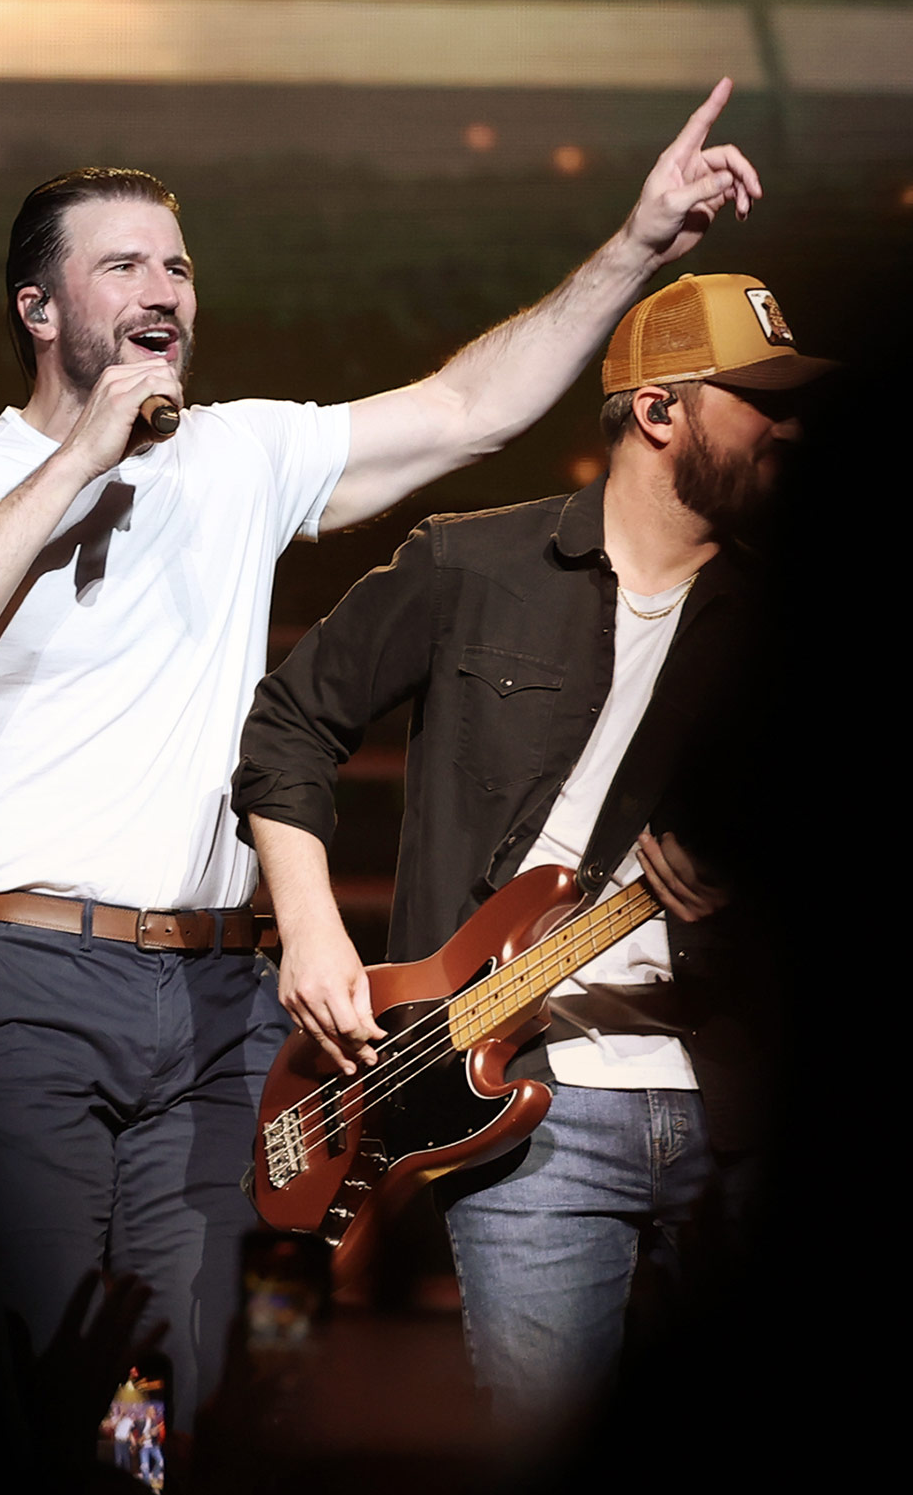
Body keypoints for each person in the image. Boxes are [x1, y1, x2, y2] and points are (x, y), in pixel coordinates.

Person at [0, 83, 765, 1431]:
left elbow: (465, 410)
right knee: (43, 1346)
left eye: (179, 263)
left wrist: (634, 245)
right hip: (30, 976)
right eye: (124, 263)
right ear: (41, 309)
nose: (164, 285)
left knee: (182, 1366)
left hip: (223, 999)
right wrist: (88, 449)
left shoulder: (241, 453)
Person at [234, 273, 832, 1427]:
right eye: (759, 398)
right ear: (661, 411)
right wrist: (309, 930)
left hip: (737, 1103)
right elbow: (290, 720)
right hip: (526, 1105)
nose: (791, 428)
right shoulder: (471, 566)